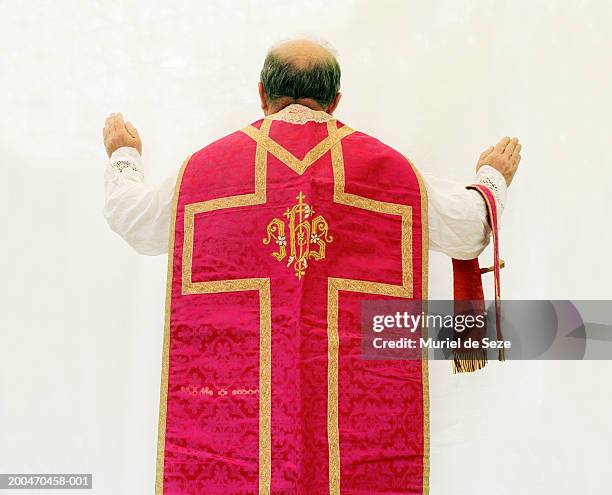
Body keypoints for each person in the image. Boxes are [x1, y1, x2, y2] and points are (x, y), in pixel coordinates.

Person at [102, 39, 521, 495]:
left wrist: (123, 155)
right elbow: (470, 228)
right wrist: (490, 176)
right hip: (355, 429)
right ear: (336, 99)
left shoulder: (206, 172)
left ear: (262, 94)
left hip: (240, 416)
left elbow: (134, 220)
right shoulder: (387, 171)